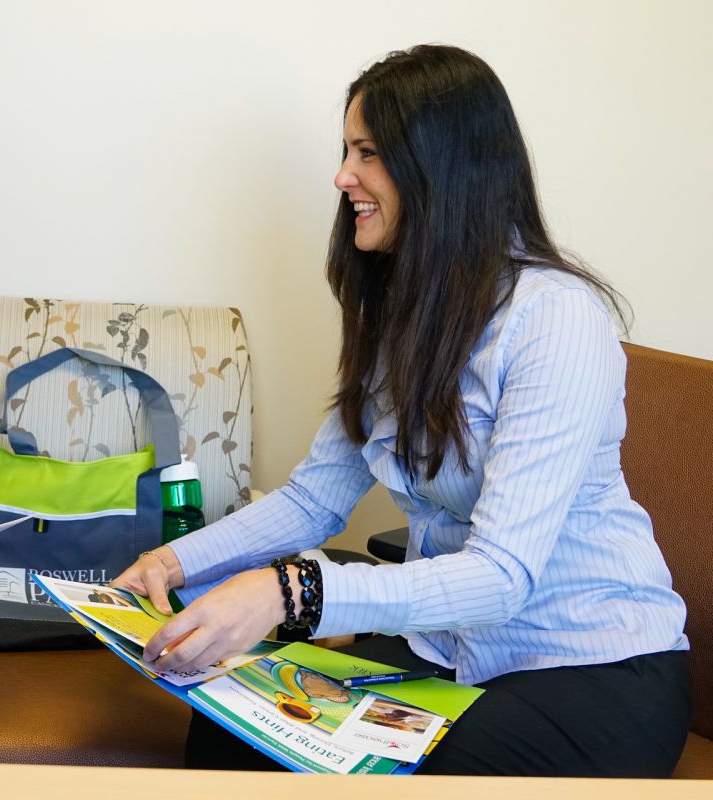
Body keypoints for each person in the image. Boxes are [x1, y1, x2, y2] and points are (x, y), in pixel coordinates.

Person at [112, 45, 691, 777]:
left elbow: (501, 575)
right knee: (229, 723)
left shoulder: (558, 320)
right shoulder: (405, 323)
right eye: (346, 150)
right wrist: (168, 562)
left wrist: (292, 591)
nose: (342, 177)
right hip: (452, 657)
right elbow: (314, 498)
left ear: (441, 167)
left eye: (368, 153)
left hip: (593, 672)